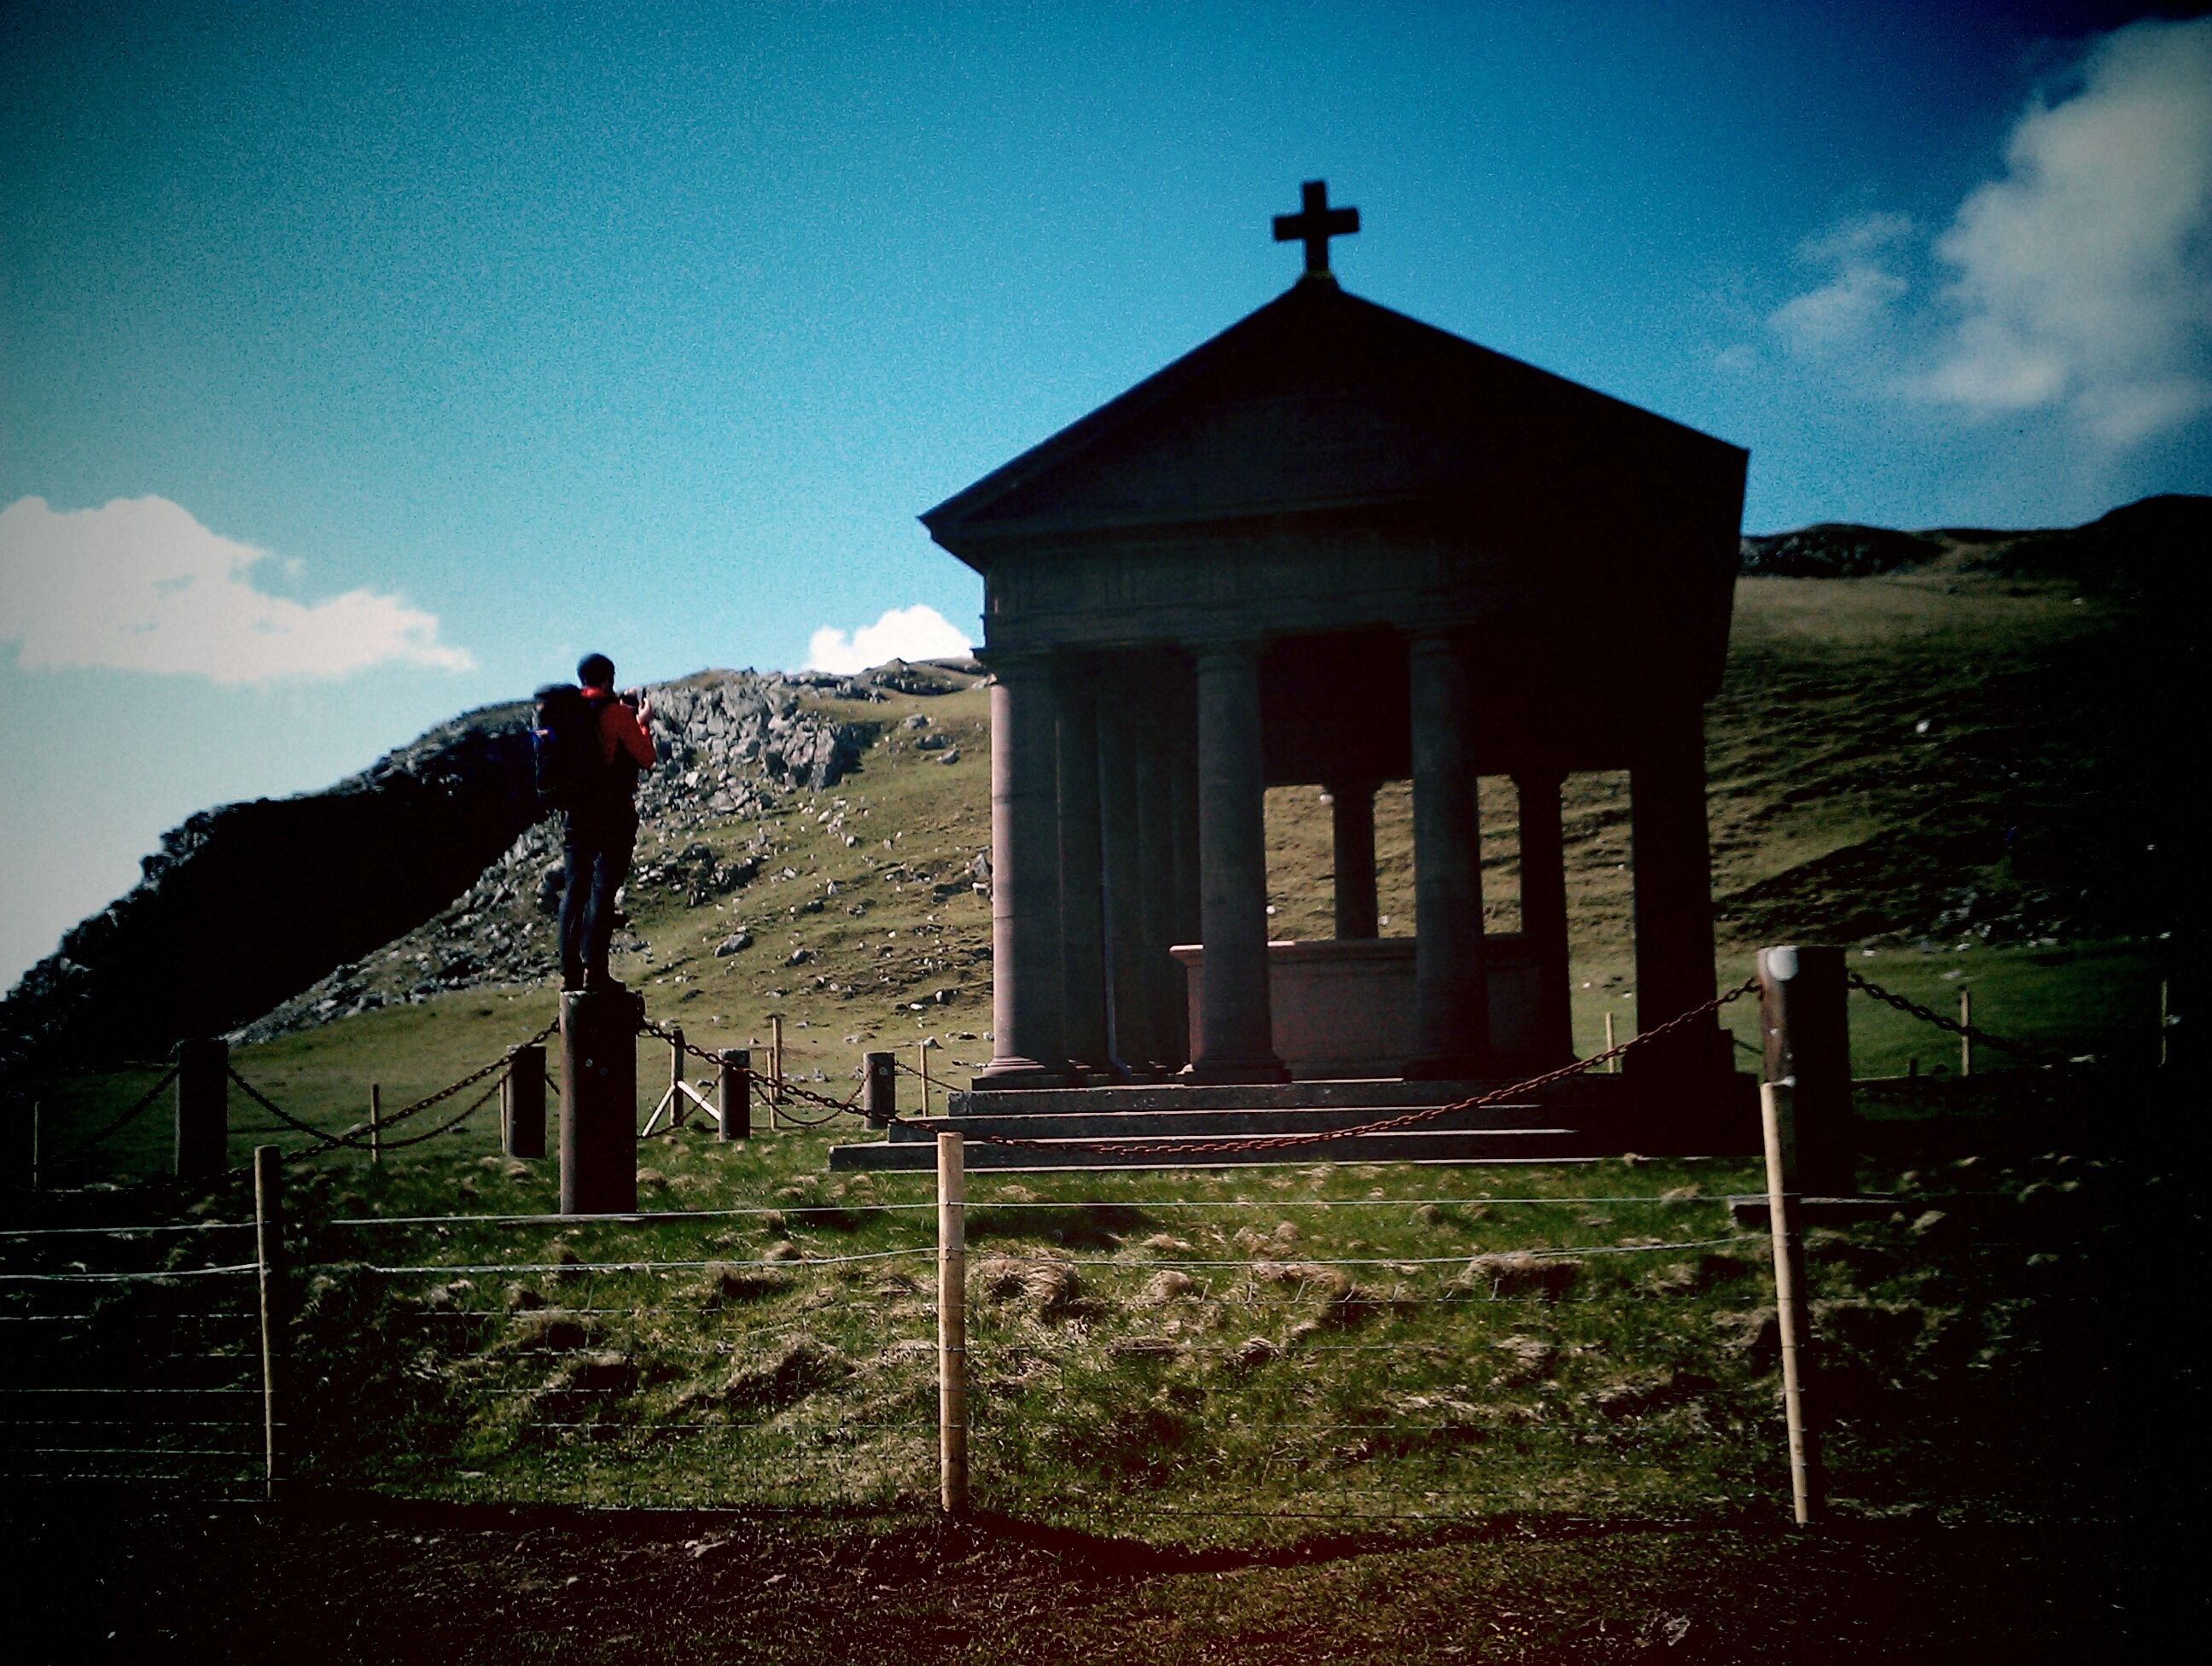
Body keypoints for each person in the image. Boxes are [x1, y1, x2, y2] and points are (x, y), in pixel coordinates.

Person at [559, 653, 655, 993]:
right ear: (608, 679)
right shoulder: (615, 714)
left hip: (576, 814)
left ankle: (569, 973)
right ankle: (595, 971)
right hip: (612, 813)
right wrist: (641, 721)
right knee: (602, 890)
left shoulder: (568, 713)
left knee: (575, 890)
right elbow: (646, 757)